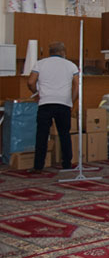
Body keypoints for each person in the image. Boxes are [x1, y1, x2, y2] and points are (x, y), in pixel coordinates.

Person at [27, 42, 79, 172]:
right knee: (64, 134)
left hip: (45, 102)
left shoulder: (40, 64)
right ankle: (67, 164)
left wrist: (36, 94)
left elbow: (31, 81)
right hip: (63, 103)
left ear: (49, 53)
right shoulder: (71, 65)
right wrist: (71, 101)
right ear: (63, 52)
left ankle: (38, 166)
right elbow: (77, 87)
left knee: (42, 135)